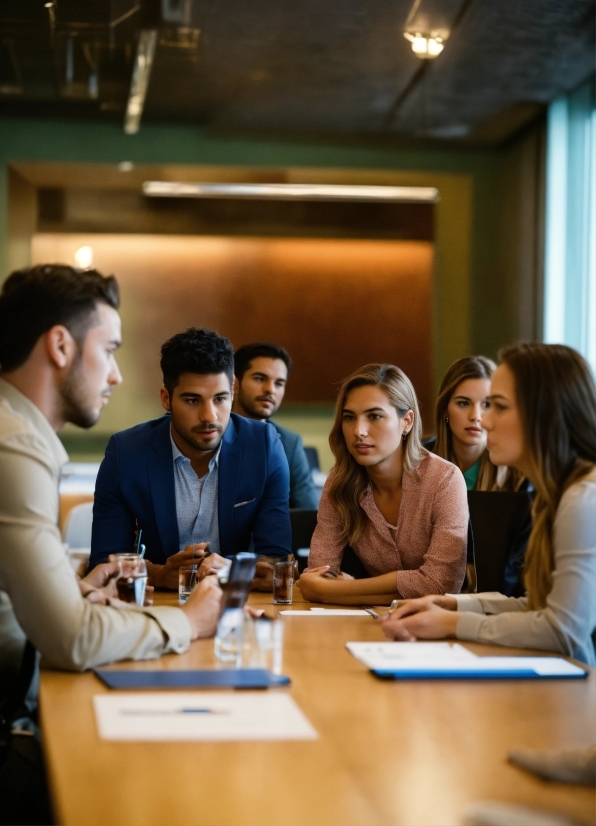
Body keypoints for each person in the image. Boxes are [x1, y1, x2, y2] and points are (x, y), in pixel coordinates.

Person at [0, 266, 222, 823]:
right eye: (110, 349)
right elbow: (70, 641)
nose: (117, 375)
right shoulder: (14, 446)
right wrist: (190, 622)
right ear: (59, 345)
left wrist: (73, 589)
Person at [382, 343, 596, 667]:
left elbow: (563, 630)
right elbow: (538, 608)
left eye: (498, 406)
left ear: (544, 415)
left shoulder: (582, 500)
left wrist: (453, 624)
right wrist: (453, 605)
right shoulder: (559, 496)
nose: (484, 421)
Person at [89, 328, 292, 589]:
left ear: (233, 391)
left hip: (236, 604)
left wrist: (232, 570)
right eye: (193, 400)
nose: (209, 416)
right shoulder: (126, 452)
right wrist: (160, 574)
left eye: (220, 399)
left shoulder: (263, 446)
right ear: (166, 399)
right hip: (159, 605)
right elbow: (103, 563)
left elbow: (278, 562)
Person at [298, 364, 468, 605]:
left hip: (436, 630)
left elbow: (440, 585)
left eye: (374, 416)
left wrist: (345, 589)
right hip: (371, 625)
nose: (359, 431)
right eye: (349, 417)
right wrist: (328, 588)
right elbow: (319, 573)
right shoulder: (340, 481)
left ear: (407, 422)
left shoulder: (444, 480)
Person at [233, 342, 319, 509]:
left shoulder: (289, 442)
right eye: (260, 378)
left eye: (279, 383)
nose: (270, 390)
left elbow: (308, 512)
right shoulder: (212, 433)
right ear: (234, 384)